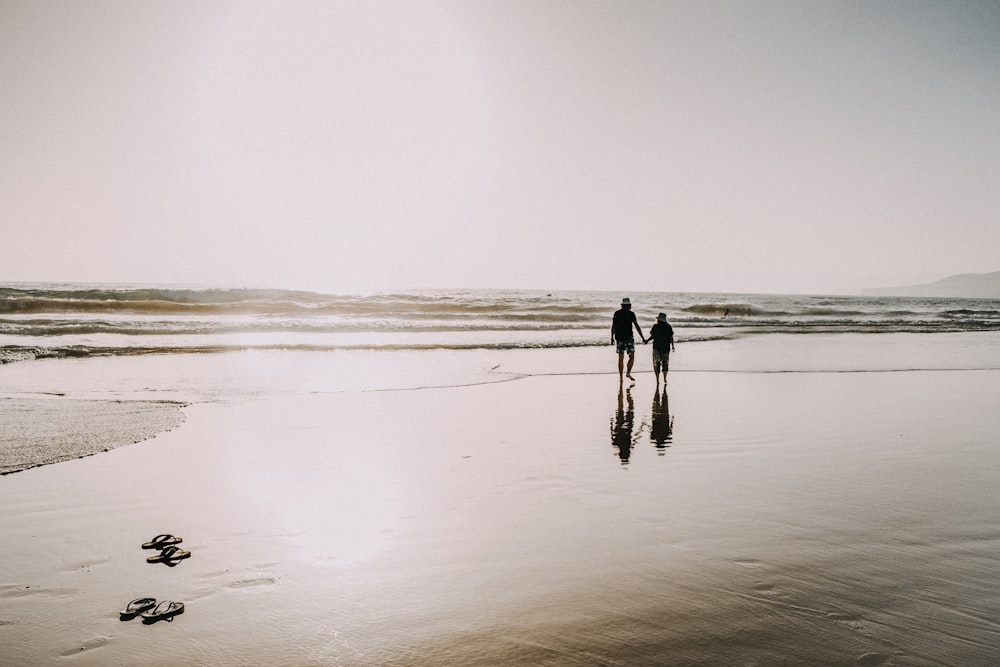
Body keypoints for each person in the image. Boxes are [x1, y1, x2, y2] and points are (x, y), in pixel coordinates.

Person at [611, 297, 646, 382]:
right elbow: (637, 326)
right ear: (629, 305)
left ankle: (621, 377)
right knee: (632, 356)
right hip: (628, 338)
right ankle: (628, 373)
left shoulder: (617, 313)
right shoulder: (631, 314)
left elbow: (613, 326)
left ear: (622, 305)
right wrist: (642, 337)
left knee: (620, 358)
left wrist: (611, 337)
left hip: (619, 338)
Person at [648, 312, 675, 385]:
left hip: (656, 348)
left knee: (656, 364)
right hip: (666, 348)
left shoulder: (655, 326)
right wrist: (672, 346)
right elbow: (671, 337)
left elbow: (652, 336)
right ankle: (665, 378)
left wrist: (646, 340)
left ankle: (657, 380)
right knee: (665, 363)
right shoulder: (668, 327)